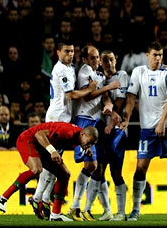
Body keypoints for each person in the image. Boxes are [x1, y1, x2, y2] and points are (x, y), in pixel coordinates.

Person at [120, 41, 167, 221]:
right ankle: (136, 209)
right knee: (140, 168)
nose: (158, 58)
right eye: (155, 55)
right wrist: (127, 119)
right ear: (147, 55)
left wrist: (162, 123)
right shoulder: (138, 72)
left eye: (160, 55)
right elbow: (131, 98)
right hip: (147, 129)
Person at [31, 42, 98, 219]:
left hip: (64, 118)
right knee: (53, 162)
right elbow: (71, 95)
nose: (70, 54)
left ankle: (44, 198)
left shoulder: (70, 67)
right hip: (56, 118)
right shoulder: (60, 69)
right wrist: (89, 90)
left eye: (72, 51)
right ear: (58, 52)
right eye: (66, 51)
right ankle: (38, 197)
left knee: (56, 162)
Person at [0, 122, 99, 221]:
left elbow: (80, 141)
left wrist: (85, 148)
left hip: (42, 147)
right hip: (28, 140)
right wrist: (53, 151)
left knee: (65, 174)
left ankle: (55, 215)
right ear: (83, 134)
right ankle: (3, 198)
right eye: (89, 142)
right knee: (36, 169)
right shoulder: (67, 131)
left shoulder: (80, 136)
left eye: (91, 144)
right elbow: (39, 134)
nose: (89, 145)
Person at [69, 45, 121, 222]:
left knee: (99, 168)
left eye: (98, 57)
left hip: (97, 121)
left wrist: (108, 105)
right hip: (84, 120)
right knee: (91, 166)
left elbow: (101, 96)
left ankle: (106, 211)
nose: (97, 61)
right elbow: (88, 96)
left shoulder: (98, 74)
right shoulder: (84, 72)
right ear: (84, 60)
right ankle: (75, 207)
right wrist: (109, 88)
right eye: (92, 58)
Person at [82, 50, 129, 221]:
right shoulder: (100, 77)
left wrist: (110, 123)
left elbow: (120, 101)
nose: (108, 63)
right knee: (99, 169)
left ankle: (121, 212)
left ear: (115, 60)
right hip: (102, 130)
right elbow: (106, 97)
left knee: (116, 172)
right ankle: (89, 210)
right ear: (101, 63)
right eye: (105, 60)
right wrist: (107, 112)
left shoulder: (122, 75)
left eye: (111, 59)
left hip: (117, 131)